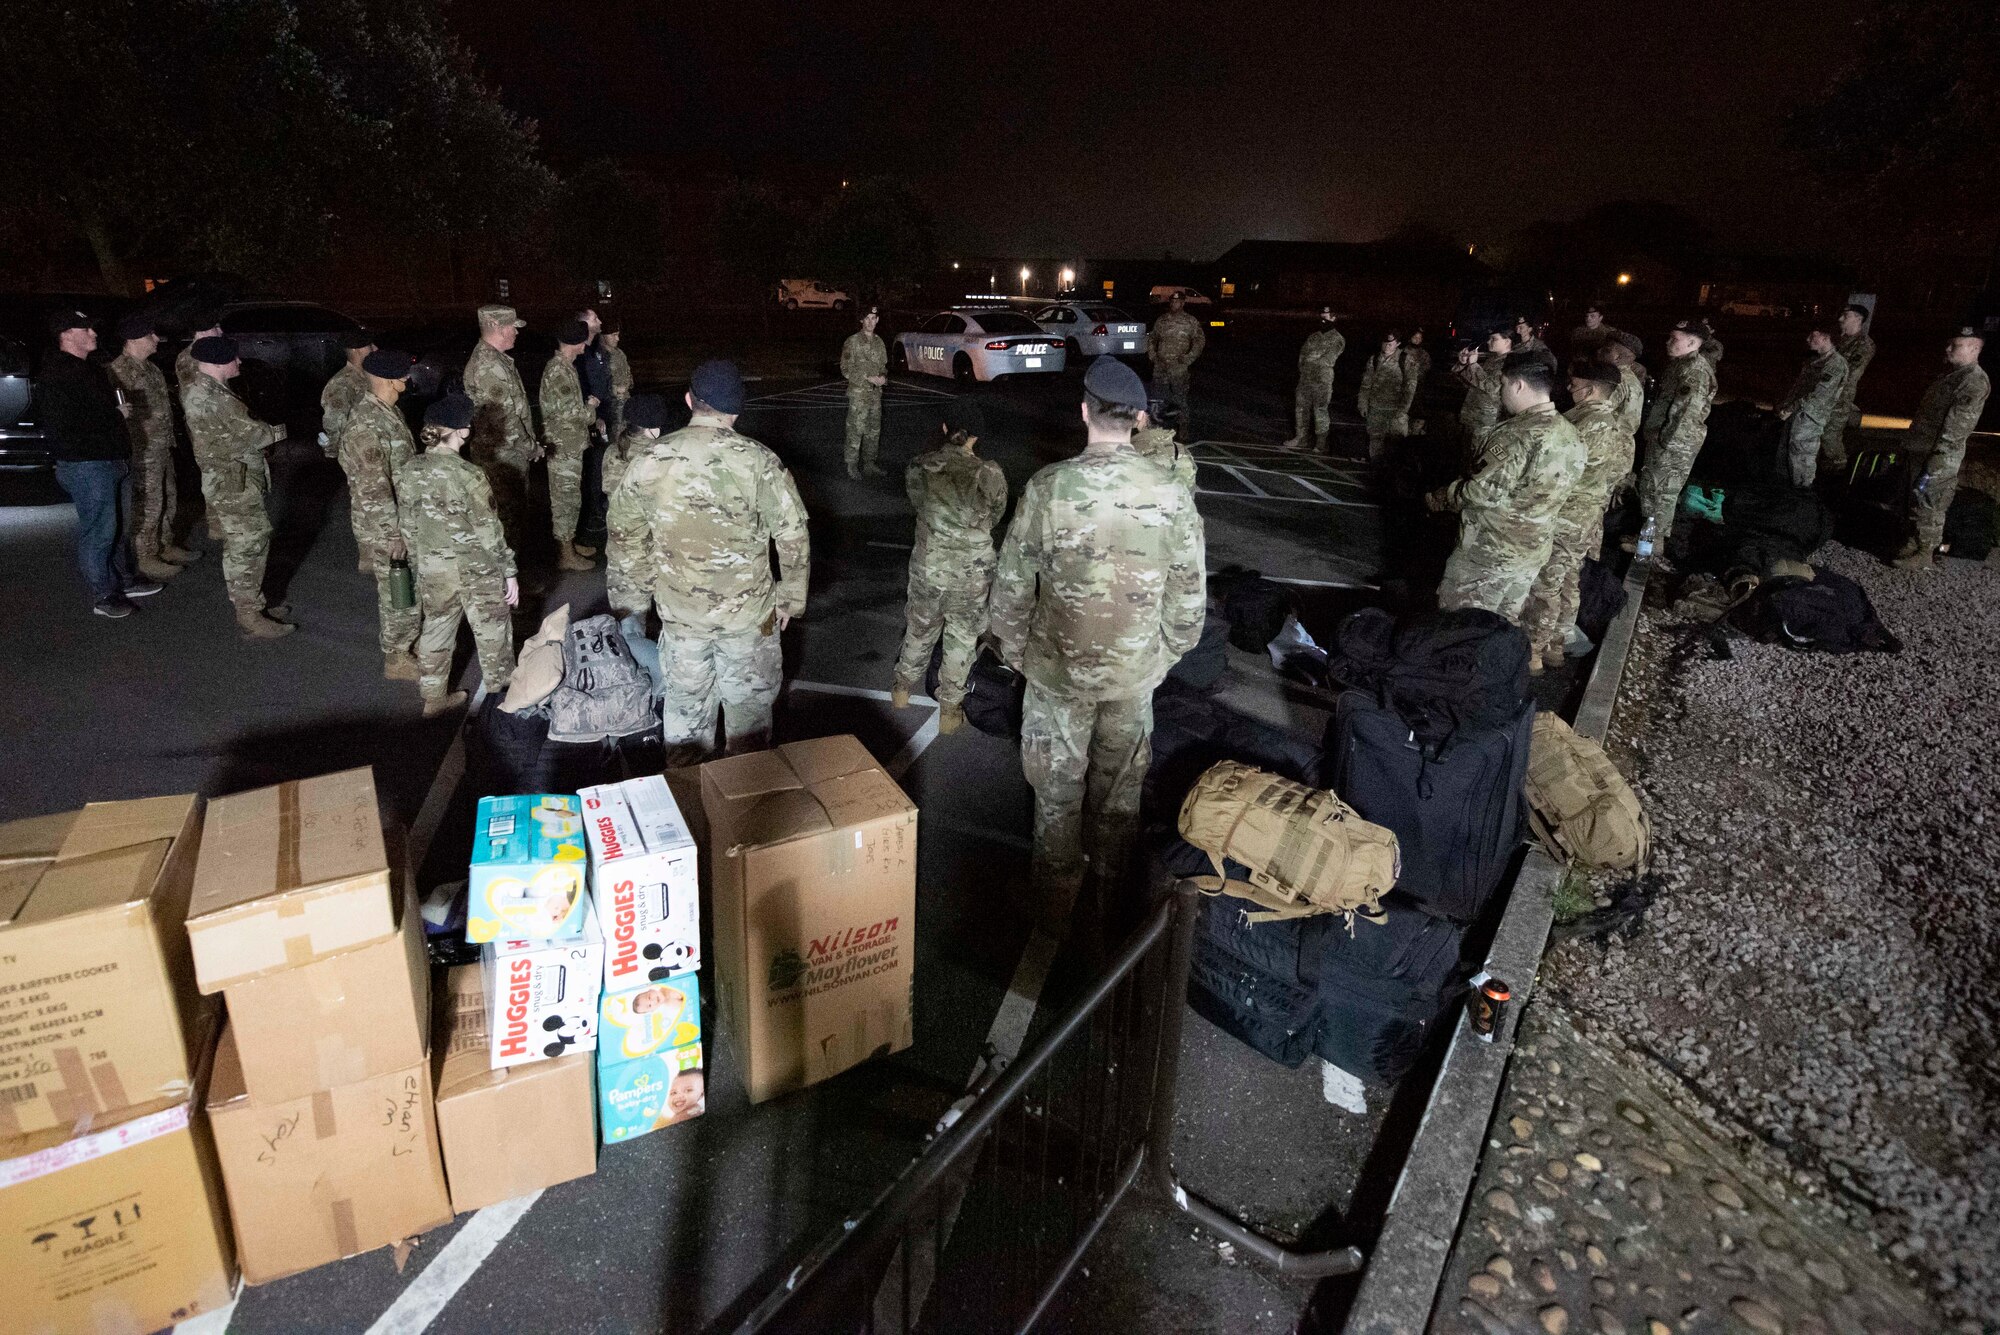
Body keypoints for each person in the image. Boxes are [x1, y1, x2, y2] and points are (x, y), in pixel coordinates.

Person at [990, 356, 1206, 922]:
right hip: (1132, 674)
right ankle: (1112, 902)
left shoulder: (1049, 487)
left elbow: (1013, 583)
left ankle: (1055, 900)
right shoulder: (1172, 492)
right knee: (1118, 795)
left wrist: (1015, 650)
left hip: (1058, 671)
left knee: (1056, 791)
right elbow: (1188, 591)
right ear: (1137, 418)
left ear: (1084, 411)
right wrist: (1166, 652)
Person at [607, 360, 810, 762]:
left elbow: (623, 533)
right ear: (736, 411)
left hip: (681, 617)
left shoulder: (651, 459)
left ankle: (685, 805)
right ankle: (742, 807)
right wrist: (791, 598)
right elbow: (792, 534)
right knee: (749, 723)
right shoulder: (758, 461)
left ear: (688, 401)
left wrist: (640, 595)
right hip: (747, 619)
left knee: (684, 717)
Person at [1426, 351, 1585, 622]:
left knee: (1459, 629)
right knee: (1500, 628)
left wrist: (1444, 495)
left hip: (1488, 555)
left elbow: (1480, 493)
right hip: (1530, 553)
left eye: (1502, 384)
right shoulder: (1571, 433)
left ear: (1519, 385)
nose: (1500, 391)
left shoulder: (1514, 435)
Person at [889, 398, 1009, 735]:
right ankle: (949, 712)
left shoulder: (919, 467)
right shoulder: (990, 474)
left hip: (929, 565)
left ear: (945, 429)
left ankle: (901, 689)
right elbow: (996, 515)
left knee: (920, 626)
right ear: (976, 437)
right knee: (961, 638)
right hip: (971, 573)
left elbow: (917, 503)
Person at [395, 393, 519, 716]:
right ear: (463, 431)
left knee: (436, 628)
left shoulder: (410, 469)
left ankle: (433, 700)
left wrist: (418, 561)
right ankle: (501, 704)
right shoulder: (469, 476)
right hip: (475, 568)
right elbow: (489, 531)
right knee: (493, 634)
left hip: (433, 567)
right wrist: (509, 571)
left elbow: (406, 524)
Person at [39, 310, 159, 618]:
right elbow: (68, 423)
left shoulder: (85, 368)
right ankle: (104, 595)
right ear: (66, 334)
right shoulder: (59, 373)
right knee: (100, 531)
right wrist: (116, 415)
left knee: (117, 526)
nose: (93, 332)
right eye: (86, 328)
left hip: (109, 460)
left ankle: (124, 579)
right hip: (88, 464)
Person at [1520, 362, 1635, 669]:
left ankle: (1533, 651)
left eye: (1575, 384)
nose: (1569, 390)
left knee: (1545, 583)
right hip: (1587, 515)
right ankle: (1556, 646)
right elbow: (1620, 473)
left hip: (1565, 514)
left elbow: (1560, 467)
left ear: (1592, 389)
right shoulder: (1619, 426)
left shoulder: (1587, 423)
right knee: (1569, 580)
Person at [181, 336, 289, 638]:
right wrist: (280, 430)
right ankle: (249, 614)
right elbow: (259, 436)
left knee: (245, 543)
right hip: (232, 482)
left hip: (232, 477)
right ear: (218, 362)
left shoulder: (208, 390)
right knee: (247, 545)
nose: (239, 362)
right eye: (234, 358)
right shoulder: (212, 396)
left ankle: (254, 604)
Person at [337, 349, 423, 680]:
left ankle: (408, 646)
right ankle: (397, 658)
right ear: (389, 380)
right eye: (402, 376)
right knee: (398, 593)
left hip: (402, 517)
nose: (406, 380)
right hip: (387, 525)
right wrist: (392, 533)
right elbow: (371, 487)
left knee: (409, 588)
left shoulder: (386, 411)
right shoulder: (366, 424)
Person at [1895, 327, 1992, 570]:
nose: (1948, 349)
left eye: (1955, 345)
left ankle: (1924, 553)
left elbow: (1958, 426)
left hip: (1940, 455)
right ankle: (1912, 543)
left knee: (1931, 503)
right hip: (1922, 448)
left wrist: (1938, 459)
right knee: (1916, 499)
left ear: (1973, 348)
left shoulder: (1974, 381)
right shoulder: (1952, 376)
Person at [107, 313, 193, 578]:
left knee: (168, 496)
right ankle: (145, 555)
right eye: (150, 335)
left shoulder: (151, 368)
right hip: (141, 448)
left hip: (161, 444)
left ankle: (164, 544)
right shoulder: (119, 370)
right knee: (148, 501)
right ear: (133, 338)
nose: (156, 339)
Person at [1632, 319, 1717, 551]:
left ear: (1692, 342)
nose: (1669, 342)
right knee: (1652, 490)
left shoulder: (1694, 372)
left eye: (1675, 339)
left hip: (1673, 444)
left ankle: (1650, 547)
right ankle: (1647, 541)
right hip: (1662, 439)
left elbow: (1686, 416)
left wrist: (1665, 444)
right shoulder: (1679, 365)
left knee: (1661, 494)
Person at [463, 303, 538, 543]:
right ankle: (508, 577)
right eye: (512, 327)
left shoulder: (497, 360)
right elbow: (505, 417)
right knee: (507, 523)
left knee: (513, 520)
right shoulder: (489, 366)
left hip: (507, 453)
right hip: (502, 457)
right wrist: (530, 447)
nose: (516, 332)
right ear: (495, 326)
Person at [541, 318, 596, 571]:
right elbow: (571, 413)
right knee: (565, 500)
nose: (586, 345)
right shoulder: (560, 371)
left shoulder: (565, 367)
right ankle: (565, 555)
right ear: (574, 343)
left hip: (569, 445)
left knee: (571, 497)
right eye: (582, 341)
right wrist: (591, 409)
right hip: (564, 447)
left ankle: (569, 545)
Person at [1776, 326, 1850, 488]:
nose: (1808, 339)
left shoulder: (1835, 364)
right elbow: (1799, 388)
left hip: (1810, 418)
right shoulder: (1814, 360)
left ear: (1826, 337)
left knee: (1802, 458)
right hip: (1798, 415)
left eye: (1813, 336)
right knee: (1787, 455)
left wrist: (1790, 408)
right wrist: (1786, 405)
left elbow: (1819, 395)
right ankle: (1786, 493)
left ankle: (1803, 495)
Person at [1822, 304, 1876, 476]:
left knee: (1830, 435)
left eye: (1846, 316)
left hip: (1840, 397)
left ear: (1858, 319)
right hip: (1824, 394)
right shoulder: (1839, 340)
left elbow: (1851, 375)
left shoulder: (1864, 345)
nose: (1840, 319)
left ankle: (1840, 467)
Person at [1146, 293, 1206, 442]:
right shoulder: (1162, 320)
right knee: (1159, 399)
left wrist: (1189, 358)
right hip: (1161, 367)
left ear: (1183, 303)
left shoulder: (1190, 321)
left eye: (1177, 302)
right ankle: (1158, 429)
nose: (1174, 304)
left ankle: (1183, 428)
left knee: (1180, 399)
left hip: (1178, 368)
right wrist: (1153, 355)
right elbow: (1152, 338)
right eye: (1172, 301)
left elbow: (1199, 340)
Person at [1284, 307, 1345, 452]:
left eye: (1326, 317)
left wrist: (1311, 361)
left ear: (1333, 318)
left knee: (1320, 412)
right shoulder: (1313, 337)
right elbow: (1302, 356)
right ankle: (1301, 438)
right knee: (1300, 410)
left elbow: (1328, 360)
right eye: (1321, 316)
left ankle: (1321, 443)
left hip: (1321, 382)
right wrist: (1305, 366)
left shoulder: (1338, 339)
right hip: (1305, 379)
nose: (1323, 320)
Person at [839, 305, 889, 479]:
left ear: (877, 320)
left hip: (876, 395)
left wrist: (883, 377)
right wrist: (867, 378)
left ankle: (869, 463)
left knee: (873, 431)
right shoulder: (852, 342)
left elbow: (883, 367)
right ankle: (851, 465)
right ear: (861, 320)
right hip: (859, 395)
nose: (870, 322)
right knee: (855, 430)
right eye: (867, 318)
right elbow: (845, 369)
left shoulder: (879, 342)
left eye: (873, 319)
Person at [319, 329, 377, 464]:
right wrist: (334, 453)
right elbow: (334, 422)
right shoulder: (341, 384)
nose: (374, 349)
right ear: (355, 350)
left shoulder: (366, 376)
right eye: (369, 346)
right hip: (355, 456)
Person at [1355, 330, 1409, 460]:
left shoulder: (1405, 359)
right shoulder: (1374, 359)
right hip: (1376, 407)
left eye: (1390, 343)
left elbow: (1410, 387)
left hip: (1395, 409)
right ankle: (1376, 465)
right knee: (1375, 438)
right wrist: (1362, 403)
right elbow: (1366, 384)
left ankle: (1395, 469)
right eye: (1385, 343)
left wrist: (1404, 409)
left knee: (1397, 441)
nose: (1387, 346)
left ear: (1398, 344)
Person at [1455, 328, 1513, 448]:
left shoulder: (1509, 362)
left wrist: (1473, 365)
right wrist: (1463, 364)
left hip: (1487, 420)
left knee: (1478, 458)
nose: (1488, 342)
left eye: (1494, 339)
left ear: (1507, 342)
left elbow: (1491, 387)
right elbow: (1472, 383)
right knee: (1466, 455)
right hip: (1473, 416)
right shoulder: (1492, 359)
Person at [603, 392, 666, 501]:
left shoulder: (612, 449)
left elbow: (608, 488)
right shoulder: (660, 453)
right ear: (654, 429)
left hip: (616, 515)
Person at [1600, 332, 1647, 435]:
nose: (1600, 352)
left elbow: (1597, 414)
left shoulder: (1615, 381)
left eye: (1606, 350)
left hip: (1608, 439)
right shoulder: (1630, 378)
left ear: (1617, 358)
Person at [175, 315, 223, 391]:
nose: (221, 331)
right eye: (216, 327)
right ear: (203, 331)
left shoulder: (210, 352)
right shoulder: (189, 357)